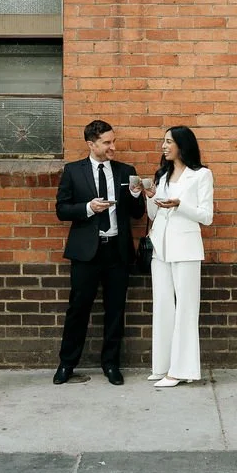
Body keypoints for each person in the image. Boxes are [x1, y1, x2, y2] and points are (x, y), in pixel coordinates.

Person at [53, 120, 145, 386]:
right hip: (86, 254)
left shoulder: (126, 171)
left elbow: (137, 214)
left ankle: (111, 364)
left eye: (113, 141)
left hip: (117, 251)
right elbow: (62, 210)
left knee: (115, 310)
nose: (112, 147)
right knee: (78, 309)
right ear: (91, 144)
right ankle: (67, 364)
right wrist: (89, 208)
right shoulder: (73, 171)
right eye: (106, 142)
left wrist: (137, 195)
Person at [142, 125, 214, 388]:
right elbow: (153, 215)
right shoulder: (162, 175)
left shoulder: (201, 175)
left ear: (182, 145)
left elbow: (206, 216)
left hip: (186, 247)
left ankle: (181, 369)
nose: (164, 146)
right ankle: (162, 366)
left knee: (185, 308)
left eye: (169, 141)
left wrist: (180, 204)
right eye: (163, 141)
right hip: (160, 246)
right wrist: (150, 197)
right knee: (162, 305)